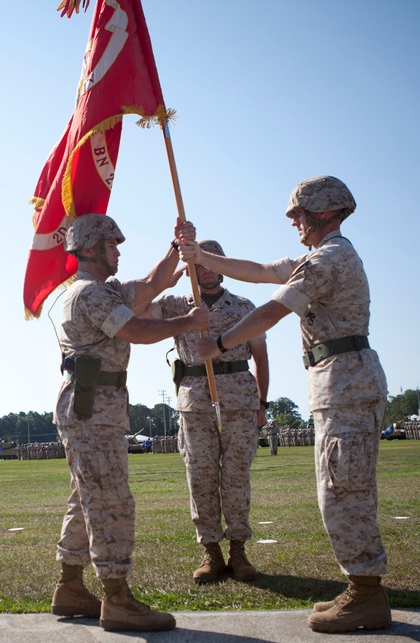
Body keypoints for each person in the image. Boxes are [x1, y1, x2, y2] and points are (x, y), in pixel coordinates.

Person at [178, 176, 391, 633]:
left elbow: (273, 308)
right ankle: (360, 585)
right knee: (339, 487)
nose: (294, 220)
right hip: (337, 381)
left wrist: (220, 341)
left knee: (344, 489)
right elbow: (258, 270)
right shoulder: (317, 257)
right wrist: (200, 257)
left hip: (347, 382)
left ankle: (367, 593)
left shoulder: (329, 259)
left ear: (327, 212)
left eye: (300, 212)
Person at [51, 213, 209, 632]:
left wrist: (177, 247)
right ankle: (118, 600)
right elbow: (137, 329)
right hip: (94, 408)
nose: (118, 251)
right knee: (110, 502)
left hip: (95, 406)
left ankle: (70, 589)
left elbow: (154, 284)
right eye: (112, 245)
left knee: (85, 500)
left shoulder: (102, 291)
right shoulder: (90, 295)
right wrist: (188, 323)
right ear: (89, 249)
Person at [145, 239, 269, 585]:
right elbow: (136, 310)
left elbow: (260, 357)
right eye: (198, 264)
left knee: (235, 475)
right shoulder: (173, 305)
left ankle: (238, 550)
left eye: (212, 262)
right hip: (195, 403)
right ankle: (211, 552)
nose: (206, 269)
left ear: (223, 265)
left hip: (240, 401)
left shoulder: (244, 306)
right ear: (190, 269)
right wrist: (168, 277)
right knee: (200, 476)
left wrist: (262, 402)